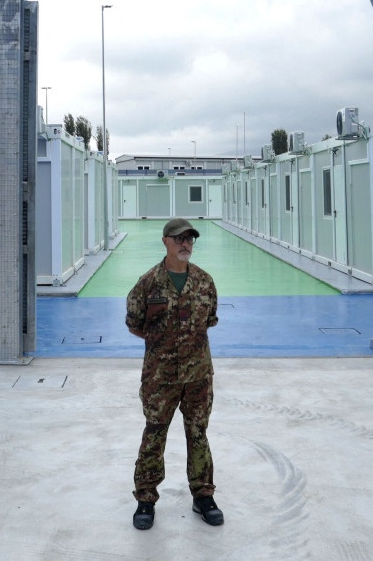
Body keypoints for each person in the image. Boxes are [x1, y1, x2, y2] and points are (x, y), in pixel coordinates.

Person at [125, 217, 224, 530]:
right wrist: (163, 346)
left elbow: (209, 320)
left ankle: (203, 496)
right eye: (180, 239)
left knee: (198, 434)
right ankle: (145, 499)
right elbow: (135, 324)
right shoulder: (147, 284)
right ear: (165, 241)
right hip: (160, 376)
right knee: (155, 432)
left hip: (198, 374)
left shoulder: (205, 281)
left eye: (190, 239)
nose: (186, 244)